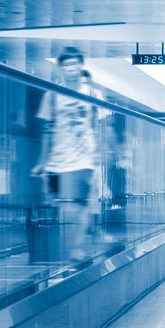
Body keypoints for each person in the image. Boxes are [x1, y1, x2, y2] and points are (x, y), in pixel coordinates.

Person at [30, 47, 109, 261]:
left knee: (78, 205)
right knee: (60, 205)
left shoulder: (92, 94)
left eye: (74, 64)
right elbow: (47, 130)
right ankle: (73, 245)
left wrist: (100, 155)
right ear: (60, 68)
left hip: (83, 160)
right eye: (66, 65)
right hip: (57, 161)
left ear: (81, 65)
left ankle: (76, 248)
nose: (71, 69)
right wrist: (41, 161)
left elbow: (101, 127)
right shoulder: (52, 95)